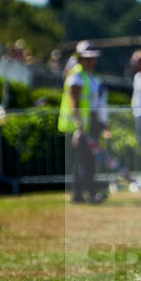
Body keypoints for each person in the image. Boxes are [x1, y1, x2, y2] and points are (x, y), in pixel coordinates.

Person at [59, 40, 109, 204]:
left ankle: (78, 194)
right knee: (85, 161)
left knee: (85, 160)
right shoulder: (77, 76)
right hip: (80, 126)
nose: (92, 60)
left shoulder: (89, 76)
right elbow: (75, 103)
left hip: (89, 125)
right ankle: (90, 193)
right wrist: (79, 127)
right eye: (88, 57)